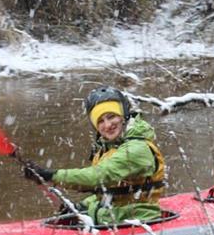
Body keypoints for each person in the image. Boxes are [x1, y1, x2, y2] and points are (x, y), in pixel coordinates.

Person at [21, 87, 166, 225]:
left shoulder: (136, 149)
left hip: (139, 223)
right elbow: (108, 193)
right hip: (113, 220)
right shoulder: (107, 147)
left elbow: (98, 177)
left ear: (124, 117)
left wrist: (50, 176)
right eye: (100, 121)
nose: (107, 125)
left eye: (111, 117)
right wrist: (81, 206)